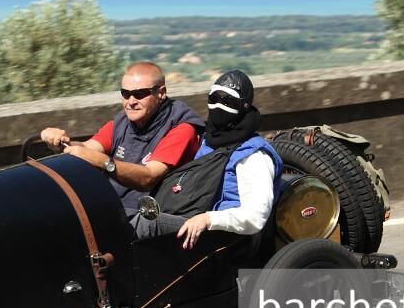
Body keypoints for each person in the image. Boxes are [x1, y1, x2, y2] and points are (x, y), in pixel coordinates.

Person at [135, 69, 283, 249]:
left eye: (227, 101)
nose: (219, 106)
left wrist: (209, 219)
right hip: (196, 220)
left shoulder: (253, 155)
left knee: (145, 225)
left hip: (228, 238)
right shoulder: (208, 142)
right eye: (214, 99)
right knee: (123, 217)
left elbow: (255, 216)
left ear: (244, 107)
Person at [40, 61, 204, 217]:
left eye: (139, 94)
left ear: (161, 93)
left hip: (154, 216)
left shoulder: (181, 128)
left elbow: (149, 177)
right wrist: (61, 142)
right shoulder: (122, 123)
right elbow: (87, 148)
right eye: (125, 94)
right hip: (117, 209)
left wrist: (106, 163)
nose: (131, 102)